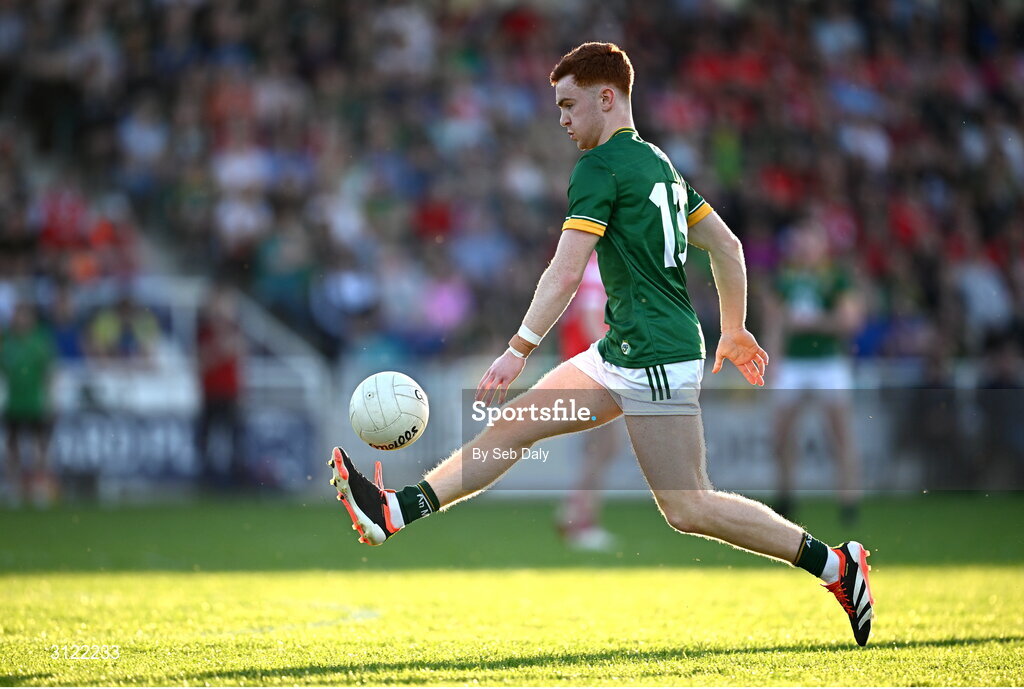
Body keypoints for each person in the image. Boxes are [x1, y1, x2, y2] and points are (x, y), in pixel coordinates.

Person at [327, 43, 875, 646]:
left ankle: (837, 566)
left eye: (568, 104)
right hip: (625, 349)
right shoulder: (657, 163)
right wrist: (736, 327)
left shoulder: (600, 166)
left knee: (688, 507)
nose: (561, 118)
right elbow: (728, 248)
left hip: (654, 359)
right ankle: (393, 513)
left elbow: (565, 271)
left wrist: (518, 347)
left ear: (606, 98)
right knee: (513, 427)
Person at [765, 221, 864, 525]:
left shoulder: (836, 278)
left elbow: (850, 321)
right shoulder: (785, 279)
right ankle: (785, 498)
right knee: (781, 434)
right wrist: (773, 361)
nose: (805, 249)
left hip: (827, 362)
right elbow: (775, 324)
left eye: (811, 242)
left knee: (839, 433)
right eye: (801, 242)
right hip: (794, 364)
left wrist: (814, 322)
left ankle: (849, 501)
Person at [555, 252, 621, 551]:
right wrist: (611, 361)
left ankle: (573, 511)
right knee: (602, 446)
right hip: (593, 371)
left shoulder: (592, 265)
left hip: (583, 367)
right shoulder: (600, 266)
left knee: (600, 447)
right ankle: (581, 521)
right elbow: (590, 316)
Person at [1, 302, 58, 506]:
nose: (21, 320)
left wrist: (51, 400)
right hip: (13, 403)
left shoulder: (39, 341)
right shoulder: (6, 341)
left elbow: (49, 374)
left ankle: (39, 487)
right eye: (18, 315)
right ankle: (13, 487)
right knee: (12, 446)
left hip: (35, 402)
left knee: (39, 447)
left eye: (25, 316)